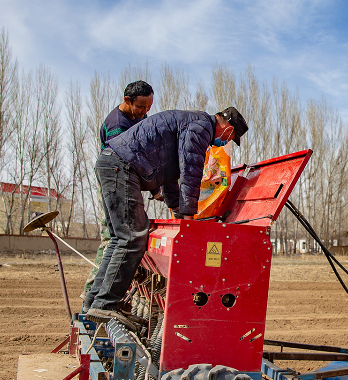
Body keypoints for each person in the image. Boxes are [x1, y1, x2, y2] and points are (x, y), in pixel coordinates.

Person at [83, 107, 248, 328]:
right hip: (121, 168)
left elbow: (171, 177)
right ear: (228, 130)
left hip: (112, 164)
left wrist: (178, 211)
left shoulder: (190, 123)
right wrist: (189, 216)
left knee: (119, 240)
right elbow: (191, 169)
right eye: (230, 138)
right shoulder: (201, 127)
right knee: (132, 238)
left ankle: (93, 302)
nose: (225, 142)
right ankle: (105, 305)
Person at [82, 80, 154, 299]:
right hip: (113, 181)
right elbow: (127, 159)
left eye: (148, 108)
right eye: (141, 107)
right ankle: (93, 295)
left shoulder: (138, 117)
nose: (144, 112)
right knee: (115, 238)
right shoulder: (117, 125)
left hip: (128, 181)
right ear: (127, 101)